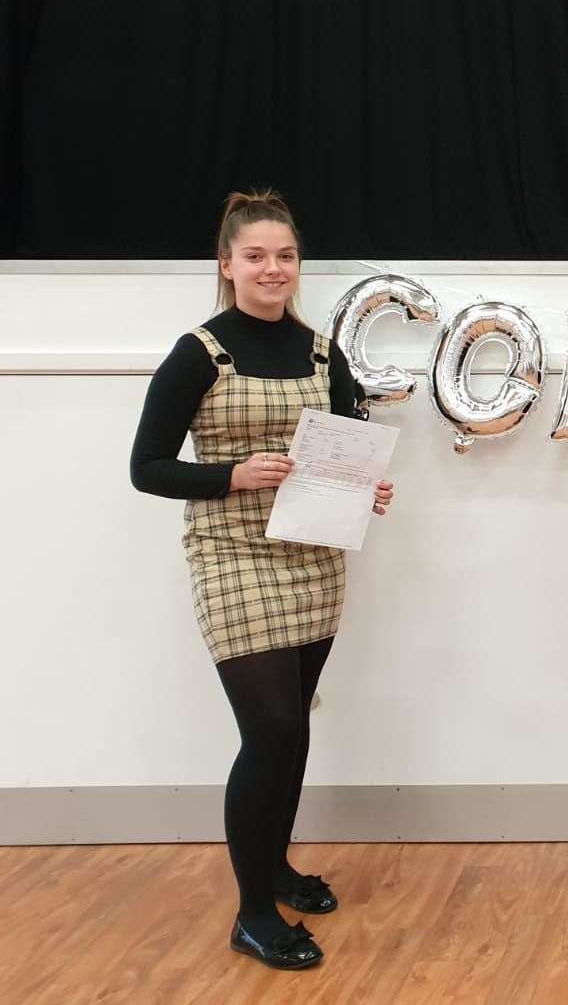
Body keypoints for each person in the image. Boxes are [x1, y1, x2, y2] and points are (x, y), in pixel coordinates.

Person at [130, 190, 396, 971]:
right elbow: (147, 469)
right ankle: (251, 912)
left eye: (284, 255)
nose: (272, 268)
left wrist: (366, 485)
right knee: (272, 730)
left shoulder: (322, 353)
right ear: (227, 264)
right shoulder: (197, 353)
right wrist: (234, 474)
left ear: (296, 263)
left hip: (314, 554)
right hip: (232, 554)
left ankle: (275, 866)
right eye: (255, 256)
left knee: (295, 728)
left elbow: (348, 442)